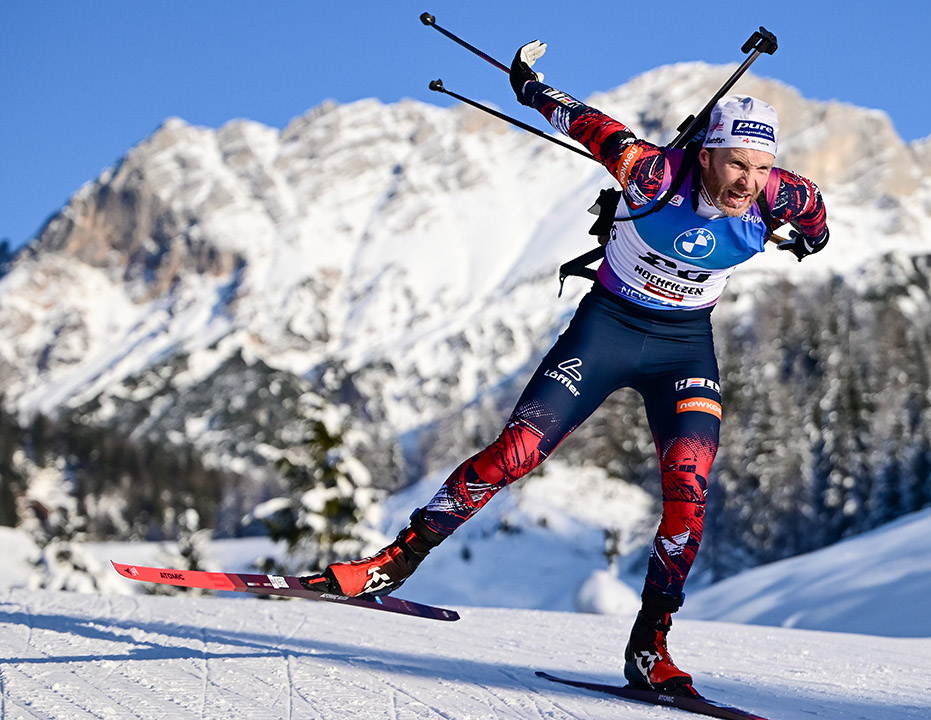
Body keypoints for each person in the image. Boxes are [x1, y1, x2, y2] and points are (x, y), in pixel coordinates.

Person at [303, 40, 830, 695]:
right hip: (607, 329)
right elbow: (586, 121)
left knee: (688, 496)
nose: (748, 181)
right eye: (735, 164)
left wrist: (811, 237)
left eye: (760, 167)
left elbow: (816, 220)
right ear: (706, 154)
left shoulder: (784, 194)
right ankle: (393, 564)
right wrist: (528, 86)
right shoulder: (651, 174)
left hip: (684, 349)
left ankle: (649, 650)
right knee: (517, 452)